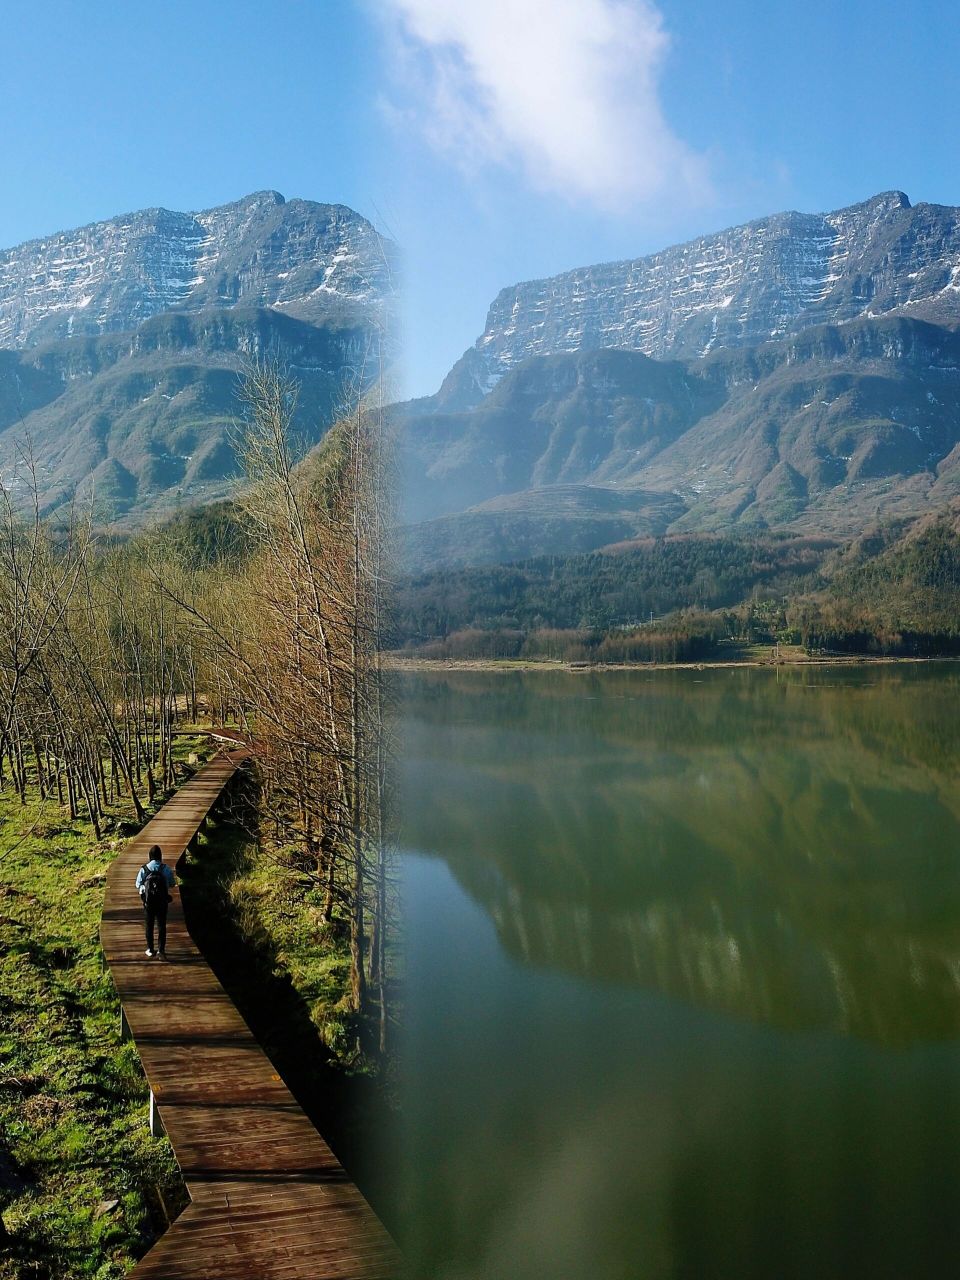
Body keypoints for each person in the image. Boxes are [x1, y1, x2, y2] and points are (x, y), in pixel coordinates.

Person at [135, 845, 176, 959]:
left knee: (149, 925)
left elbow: (138, 884)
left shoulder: (144, 869)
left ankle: (150, 949)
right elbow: (172, 884)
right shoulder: (165, 869)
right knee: (162, 926)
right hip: (162, 902)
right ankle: (161, 951)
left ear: (150, 856)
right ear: (160, 856)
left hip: (149, 903)